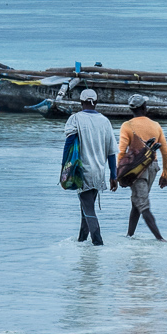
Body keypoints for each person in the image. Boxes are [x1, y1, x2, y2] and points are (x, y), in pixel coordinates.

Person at [65, 88, 118, 245]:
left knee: (88, 209)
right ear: (96, 103)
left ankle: (98, 242)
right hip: (99, 172)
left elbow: (69, 145)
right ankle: (82, 241)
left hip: (83, 171)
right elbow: (111, 152)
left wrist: (65, 170)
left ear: (81, 102)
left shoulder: (75, 119)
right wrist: (113, 175)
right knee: (85, 209)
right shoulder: (105, 121)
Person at [118, 94, 167, 240]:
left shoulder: (127, 126)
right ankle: (129, 236)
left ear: (131, 109)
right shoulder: (156, 125)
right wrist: (165, 173)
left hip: (136, 170)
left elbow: (122, 152)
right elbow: (165, 152)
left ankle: (160, 239)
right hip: (153, 167)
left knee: (143, 204)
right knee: (137, 201)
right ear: (144, 107)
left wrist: (118, 173)